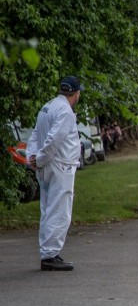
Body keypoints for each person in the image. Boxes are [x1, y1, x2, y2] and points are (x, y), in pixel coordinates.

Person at [26, 76, 83, 271]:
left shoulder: (47, 107)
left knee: (48, 208)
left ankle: (47, 252)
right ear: (76, 94)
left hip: (47, 165)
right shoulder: (66, 112)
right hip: (60, 165)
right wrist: (40, 158)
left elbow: (35, 135)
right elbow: (54, 140)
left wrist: (33, 157)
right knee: (60, 210)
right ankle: (51, 254)